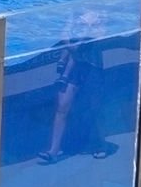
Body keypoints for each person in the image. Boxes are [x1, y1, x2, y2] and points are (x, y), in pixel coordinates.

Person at [38, 10, 110, 165]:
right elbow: (64, 36)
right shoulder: (75, 15)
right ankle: (54, 150)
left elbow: (91, 40)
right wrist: (73, 23)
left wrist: (87, 27)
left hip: (93, 68)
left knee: (94, 109)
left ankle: (100, 143)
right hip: (76, 67)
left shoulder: (101, 16)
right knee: (62, 107)